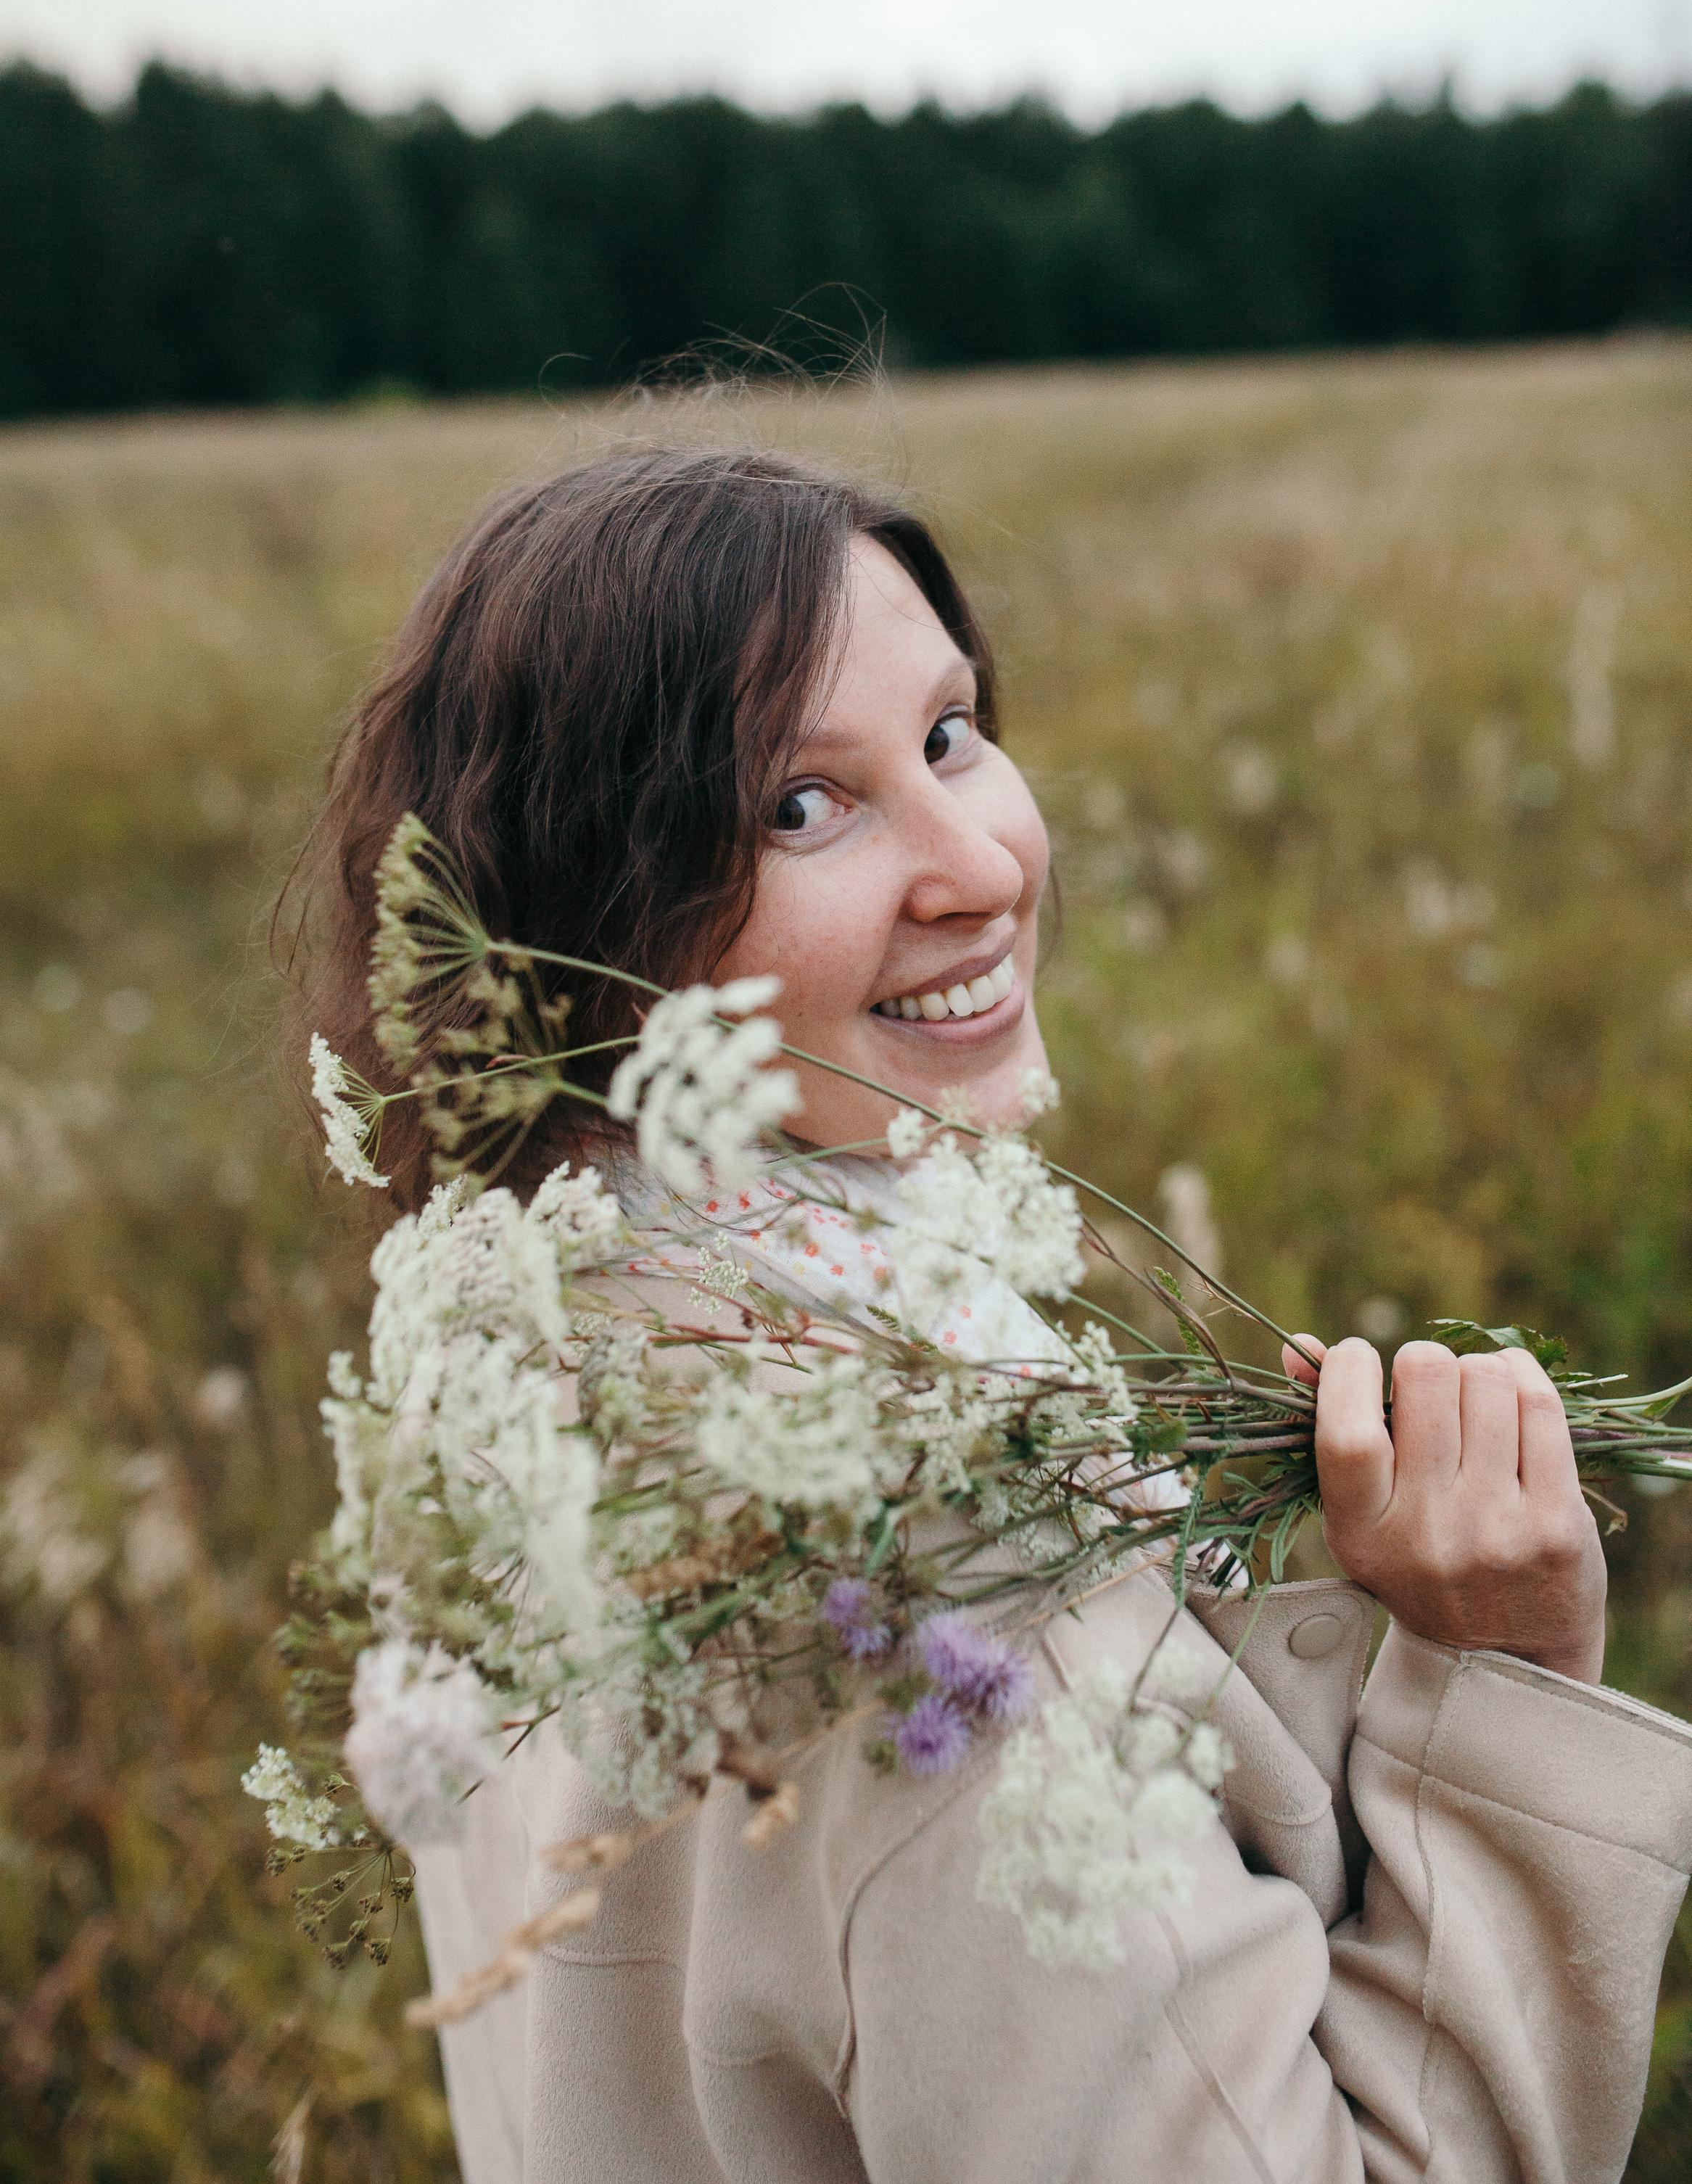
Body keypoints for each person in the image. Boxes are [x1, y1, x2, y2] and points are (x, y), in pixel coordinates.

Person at [294, 440, 1692, 2184]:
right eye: (802, 804)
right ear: (594, 926)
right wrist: (1500, 1676)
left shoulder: (504, 1378)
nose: (983, 861)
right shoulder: (948, 1596)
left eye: (950, 733)